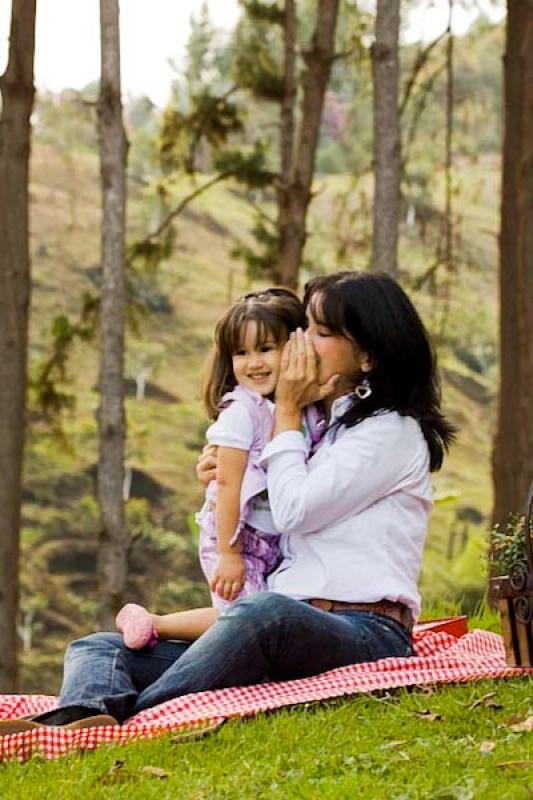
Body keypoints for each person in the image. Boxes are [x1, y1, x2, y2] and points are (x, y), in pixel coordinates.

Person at [0, 270, 455, 733]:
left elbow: (296, 507)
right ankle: (80, 716)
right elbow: (273, 496)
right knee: (98, 647)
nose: (301, 343)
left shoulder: (390, 432)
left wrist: (286, 411)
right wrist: (233, 469)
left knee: (263, 614)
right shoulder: (323, 425)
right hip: (287, 621)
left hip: (365, 632)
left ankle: (122, 722)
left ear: (367, 355)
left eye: (319, 332)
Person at [115, 288, 317, 648]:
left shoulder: (298, 407)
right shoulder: (241, 413)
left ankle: (158, 627)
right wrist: (229, 553)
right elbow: (226, 484)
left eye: (266, 348)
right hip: (237, 537)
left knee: (254, 614)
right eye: (242, 353)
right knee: (243, 619)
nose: (254, 362)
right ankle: (154, 625)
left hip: (272, 540)